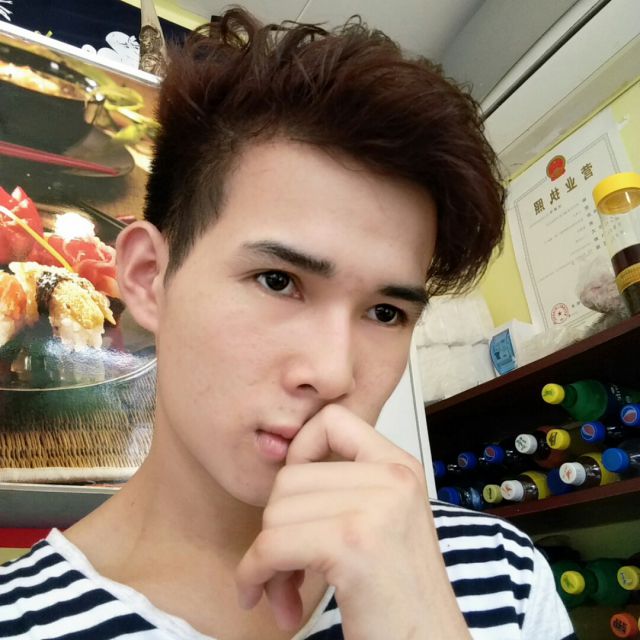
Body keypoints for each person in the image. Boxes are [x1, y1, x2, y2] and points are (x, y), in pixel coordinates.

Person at [0, 8, 576, 640]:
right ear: (146, 277)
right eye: (278, 281)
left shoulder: (504, 572)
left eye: (386, 313)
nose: (331, 374)